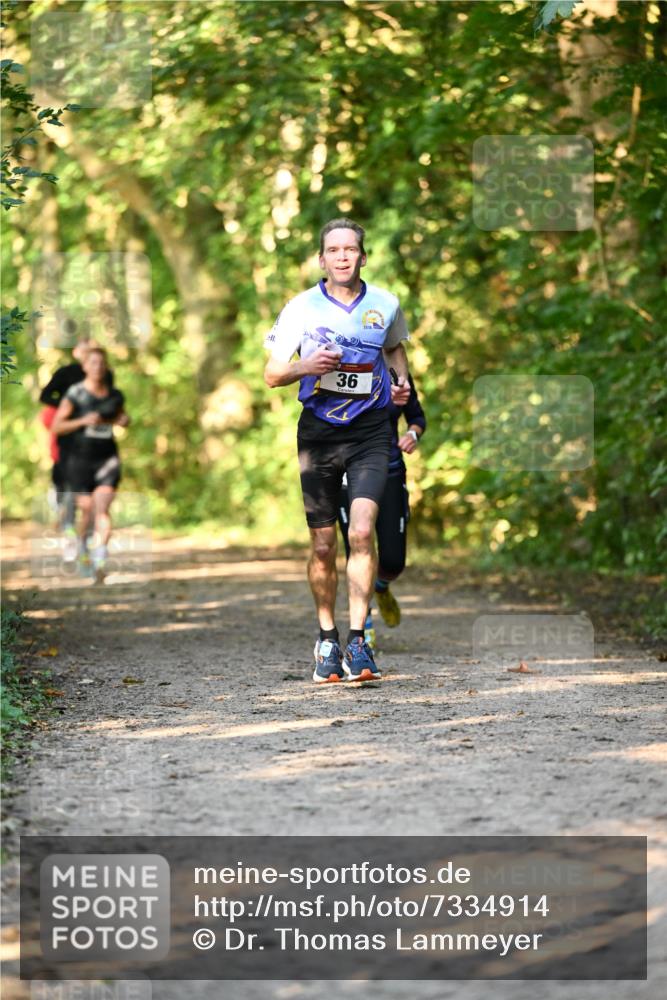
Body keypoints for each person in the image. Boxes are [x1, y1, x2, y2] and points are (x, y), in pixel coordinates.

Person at [264, 218, 411, 683]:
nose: (343, 256)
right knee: (325, 545)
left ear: (363, 256)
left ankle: (358, 642)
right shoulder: (301, 308)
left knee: (363, 533)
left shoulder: (385, 304)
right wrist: (306, 365)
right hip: (319, 434)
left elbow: (395, 350)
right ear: (322, 259)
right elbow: (272, 374)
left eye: (352, 249)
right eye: (334, 250)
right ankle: (326, 638)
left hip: (370, 432)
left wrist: (402, 383)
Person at [337, 374, 426, 647]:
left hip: (389, 471)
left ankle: (381, 586)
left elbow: (417, 417)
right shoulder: (340, 366)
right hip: (346, 474)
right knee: (357, 546)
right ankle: (362, 624)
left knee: (393, 561)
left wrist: (412, 434)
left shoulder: (396, 372)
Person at [51, 347, 128, 583]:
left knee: (102, 508)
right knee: (88, 511)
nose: (98, 367)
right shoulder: (75, 393)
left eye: (101, 363)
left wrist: (123, 420)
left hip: (107, 458)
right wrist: (83, 420)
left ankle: (100, 560)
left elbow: (122, 417)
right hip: (79, 460)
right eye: (93, 363)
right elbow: (56, 426)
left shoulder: (115, 395)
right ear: (85, 366)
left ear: (106, 367)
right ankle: (84, 552)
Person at [39, 335, 114, 541]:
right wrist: (67, 409)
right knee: (69, 487)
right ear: (76, 353)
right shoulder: (66, 373)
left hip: (96, 442)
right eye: (83, 350)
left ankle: (87, 532)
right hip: (68, 440)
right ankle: (69, 526)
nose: (88, 355)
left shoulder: (105, 375)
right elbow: (44, 396)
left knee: (95, 494)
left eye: (91, 350)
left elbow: (110, 400)